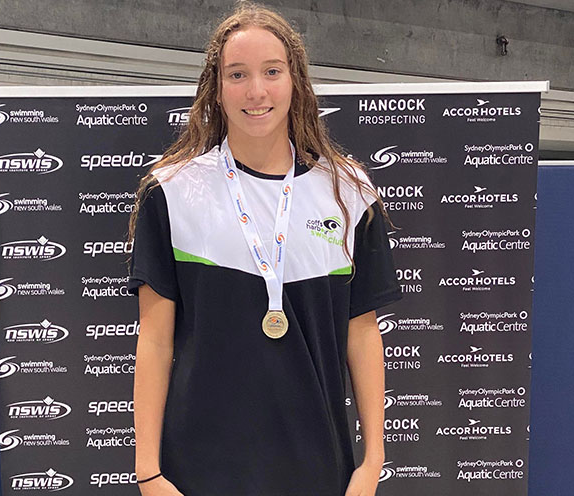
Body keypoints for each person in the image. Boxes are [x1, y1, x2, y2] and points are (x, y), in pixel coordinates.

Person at [126, 2, 401, 495]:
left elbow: (362, 333)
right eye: (238, 74)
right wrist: (148, 471)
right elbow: (155, 340)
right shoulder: (171, 191)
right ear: (216, 88)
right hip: (199, 472)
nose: (256, 91)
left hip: (317, 468)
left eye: (272, 71)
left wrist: (373, 460)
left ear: (296, 82)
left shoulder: (348, 192)